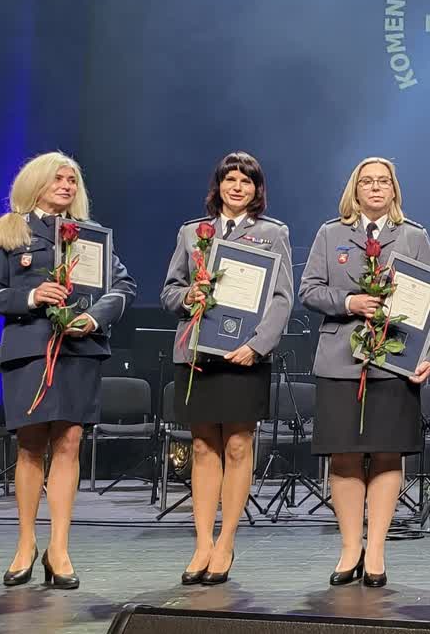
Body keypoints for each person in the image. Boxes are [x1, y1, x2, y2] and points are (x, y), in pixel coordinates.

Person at [0, 152, 136, 589]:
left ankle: (59, 548)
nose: (66, 185)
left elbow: (123, 286)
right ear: (36, 182)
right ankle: (25, 544)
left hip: (79, 350)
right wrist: (28, 299)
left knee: (69, 442)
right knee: (30, 446)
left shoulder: (92, 237)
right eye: (57, 178)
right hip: (29, 350)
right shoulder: (9, 229)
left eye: (72, 179)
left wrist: (95, 317)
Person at [299, 156, 430, 588]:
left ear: (394, 190)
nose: (375, 188)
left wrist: (428, 354)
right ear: (354, 190)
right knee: (343, 455)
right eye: (367, 182)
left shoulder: (414, 236)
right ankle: (349, 547)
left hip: (395, 362)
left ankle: (375, 549)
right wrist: (349, 302)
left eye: (384, 182)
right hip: (341, 360)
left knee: (387, 453)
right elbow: (308, 290)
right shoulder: (330, 233)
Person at [160, 152, 293, 586]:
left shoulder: (273, 234)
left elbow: (281, 298)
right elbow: (169, 291)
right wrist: (188, 298)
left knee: (238, 446)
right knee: (202, 448)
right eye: (230, 179)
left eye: (246, 181)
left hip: (244, 356)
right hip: (198, 354)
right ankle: (201, 542)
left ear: (257, 190)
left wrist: (256, 347)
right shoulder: (190, 233)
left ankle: (226, 542)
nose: (237, 187)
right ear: (217, 185)